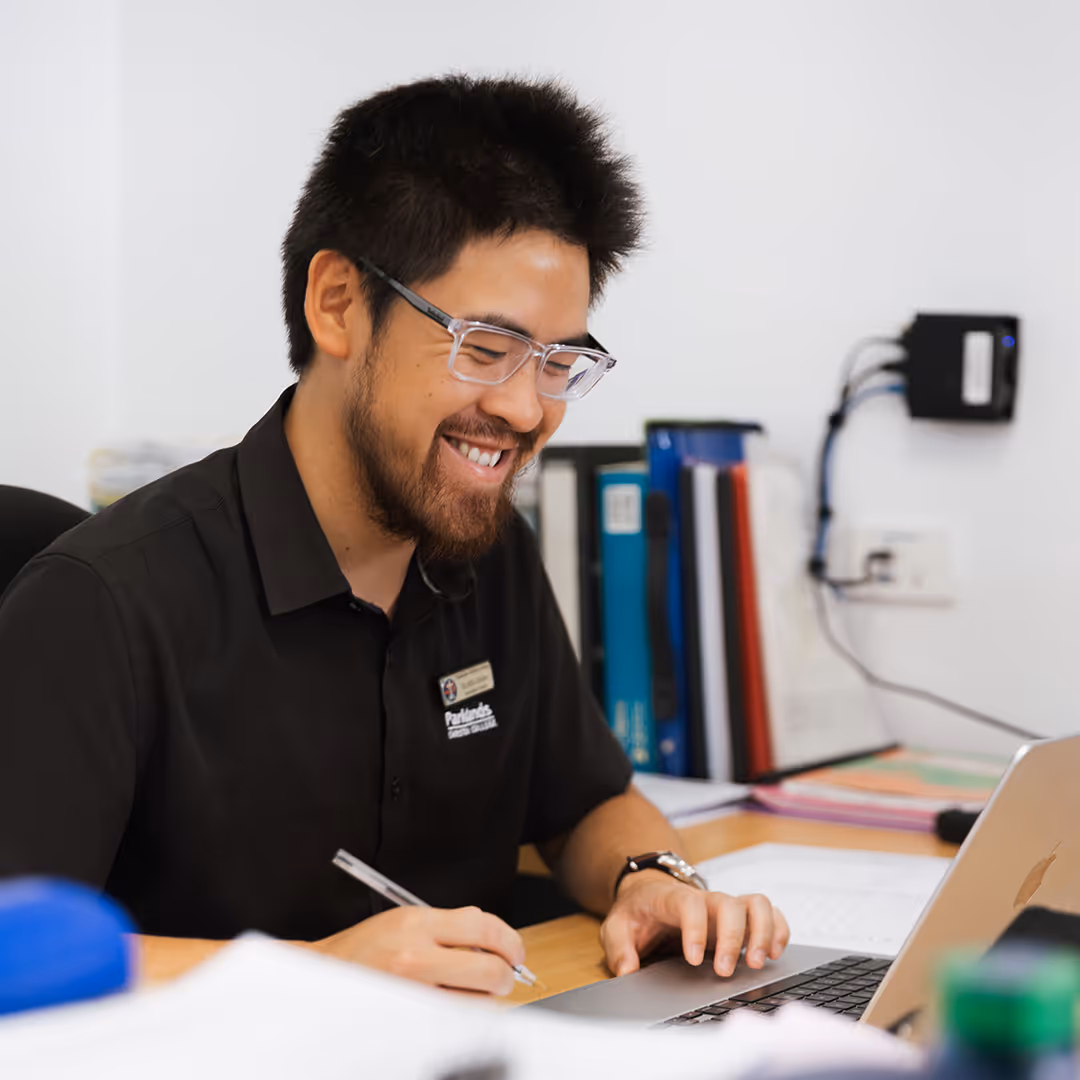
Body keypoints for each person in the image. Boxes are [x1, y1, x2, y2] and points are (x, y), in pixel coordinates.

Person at [0, 75, 788, 995]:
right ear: (336, 303)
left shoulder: (489, 551)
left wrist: (650, 876)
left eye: (560, 362)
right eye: (485, 349)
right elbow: (13, 948)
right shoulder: (104, 604)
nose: (526, 408)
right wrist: (320, 972)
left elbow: (584, 803)